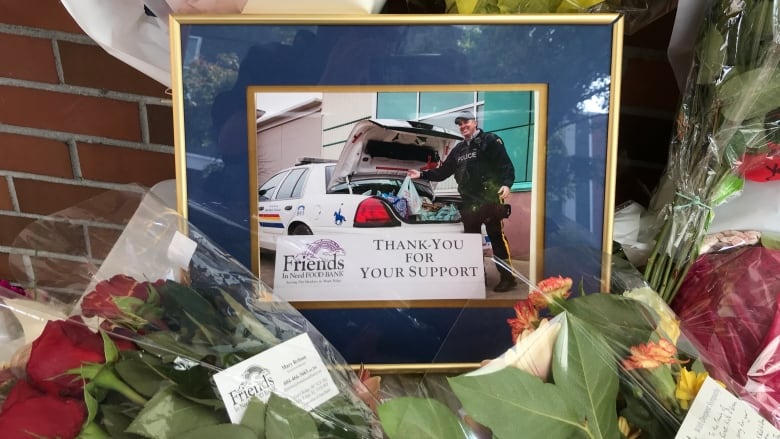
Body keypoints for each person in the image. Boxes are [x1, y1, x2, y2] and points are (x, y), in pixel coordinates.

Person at [408, 111, 517, 292]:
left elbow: (505, 165)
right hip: (468, 201)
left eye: (466, 122)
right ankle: (476, 276)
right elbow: (443, 172)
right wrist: (422, 174)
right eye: (459, 124)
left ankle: (508, 278)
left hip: (489, 197)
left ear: (475, 122)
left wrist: (507, 184)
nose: (462, 126)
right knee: (471, 242)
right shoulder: (458, 149)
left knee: (496, 237)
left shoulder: (490, 140)